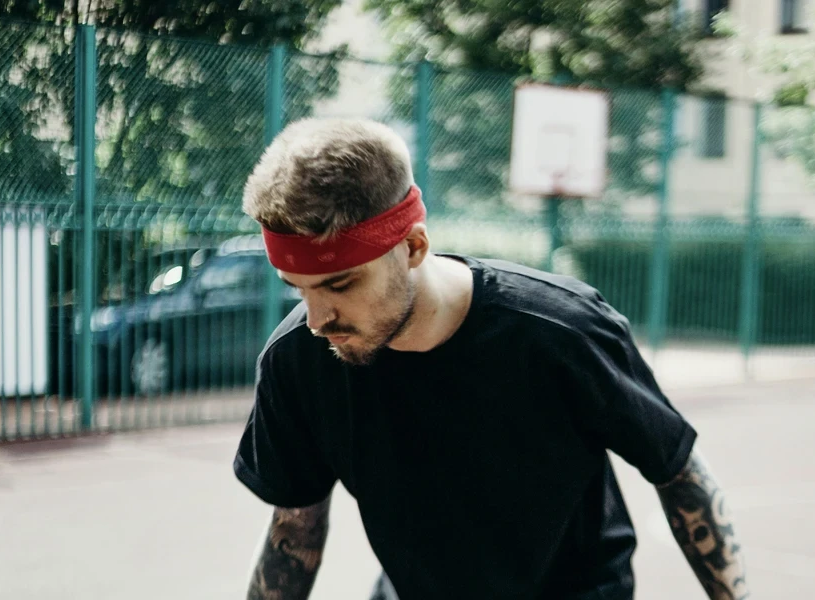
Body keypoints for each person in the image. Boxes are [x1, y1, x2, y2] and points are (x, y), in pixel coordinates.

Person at [233, 117, 749, 600]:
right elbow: (294, 529)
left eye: (340, 284)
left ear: (412, 246)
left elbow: (678, 471)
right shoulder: (296, 359)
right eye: (298, 290)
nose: (318, 317)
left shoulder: (561, 332)